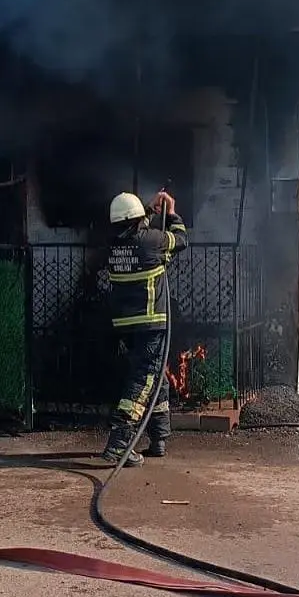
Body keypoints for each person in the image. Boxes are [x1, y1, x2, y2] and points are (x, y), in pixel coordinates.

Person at [100, 189, 188, 467]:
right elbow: (181, 240)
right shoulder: (151, 241)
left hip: (126, 325)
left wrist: (148, 211)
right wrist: (171, 213)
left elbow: (132, 231)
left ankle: (158, 437)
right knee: (143, 380)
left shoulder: (112, 244)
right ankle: (119, 445)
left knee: (155, 375)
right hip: (152, 322)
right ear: (138, 218)